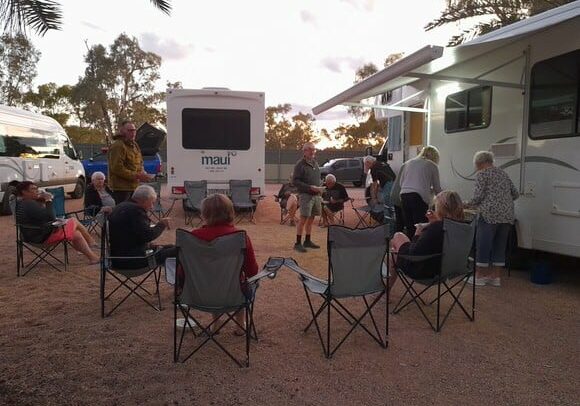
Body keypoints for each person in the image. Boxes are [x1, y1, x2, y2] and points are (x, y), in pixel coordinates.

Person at [189, 193, 259, 334]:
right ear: (230, 212)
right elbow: (252, 271)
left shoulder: (193, 237)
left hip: (199, 294)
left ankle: (216, 324)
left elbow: (182, 271)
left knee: (214, 280)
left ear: (204, 213)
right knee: (241, 281)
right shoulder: (240, 236)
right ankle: (240, 325)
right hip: (234, 294)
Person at [387, 190, 464, 293]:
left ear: (441, 208)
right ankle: (387, 285)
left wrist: (418, 233)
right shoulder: (462, 228)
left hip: (425, 271)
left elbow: (414, 254)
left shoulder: (437, 228)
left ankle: (386, 289)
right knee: (395, 251)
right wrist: (434, 223)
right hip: (450, 269)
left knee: (397, 238)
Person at [466, 151, 519, 287]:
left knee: (483, 244)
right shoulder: (503, 173)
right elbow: (515, 193)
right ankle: (496, 277)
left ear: (479, 163)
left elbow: (477, 197)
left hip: (489, 215)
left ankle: (479, 276)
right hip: (507, 215)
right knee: (499, 246)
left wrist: (464, 204)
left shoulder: (482, 174)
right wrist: (502, 201)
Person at [14, 181, 100, 264]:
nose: (37, 191)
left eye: (37, 188)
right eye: (33, 189)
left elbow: (44, 217)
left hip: (31, 236)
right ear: (24, 192)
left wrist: (42, 201)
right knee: (73, 220)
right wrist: (48, 200)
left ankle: (93, 258)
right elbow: (51, 217)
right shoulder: (29, 204)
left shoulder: (22, 203)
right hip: (41, 238)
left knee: (76, 234)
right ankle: (91, 242)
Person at [107, 184, 175, 269]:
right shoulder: (136, 211)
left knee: (171, 247)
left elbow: (135, 234)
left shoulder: (122, 206)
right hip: (133, 260)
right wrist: (161, 224)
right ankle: (179, 280)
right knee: (178, 251)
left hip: (118, 257)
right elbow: (148, 235)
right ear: (143, 200)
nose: (152, 207)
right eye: (151, 203)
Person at [397, 145, 442, 237]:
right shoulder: (432, 165)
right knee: (421, 227)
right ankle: (420, 248)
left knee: (410, 227)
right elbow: (437, 189)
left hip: (404, 195)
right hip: (418, 197)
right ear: (435, 157)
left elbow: (401, 183)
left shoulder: (408, 163)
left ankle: (410, 248)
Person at [107, 120, 153, 204]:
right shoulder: (118, 145)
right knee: (123, 214)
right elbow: (117, 168)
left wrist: (143, 173)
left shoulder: (135, 145)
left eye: (134, 130)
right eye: (130, 130)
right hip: (121, 189)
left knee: (133, 212)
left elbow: (140, 162)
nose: (133, 133)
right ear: (122, 131)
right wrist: (136, 176)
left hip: (134, 187)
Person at [292, 142, 324, 253]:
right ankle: (297, 243)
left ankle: (307, 241)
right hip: (306, 195)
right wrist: (310, 187)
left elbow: (316, 179)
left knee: (311, 219)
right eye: (310, 149)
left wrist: (319, 187)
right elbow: (295, 181)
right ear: (304, 151)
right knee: (303, 219)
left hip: (316, 196)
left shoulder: (315, 163)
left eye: (314, 149)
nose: (312, 151)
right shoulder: (300, 164)